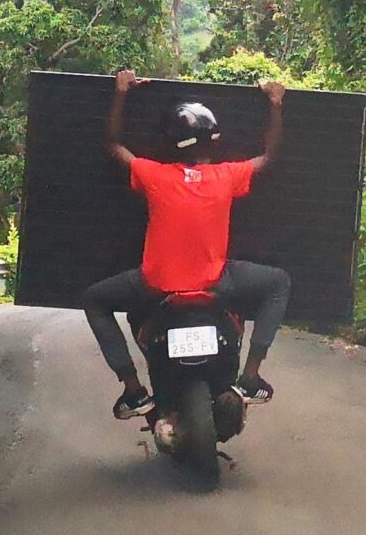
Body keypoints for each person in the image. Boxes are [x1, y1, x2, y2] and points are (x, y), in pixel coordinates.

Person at [82, 69, 292, 419]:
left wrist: (121, 93)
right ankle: (251, 375)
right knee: (279, 282)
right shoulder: (227, 175)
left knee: (94, 300)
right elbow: (270, 155)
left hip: (155, 285)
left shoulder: (153, 174)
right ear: (213, 140)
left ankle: (133, 390)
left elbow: (114, 145)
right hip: (216, 283)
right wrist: (275, 105)